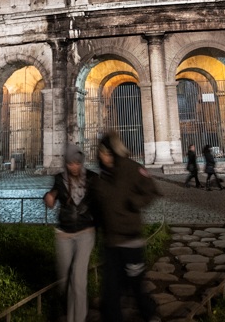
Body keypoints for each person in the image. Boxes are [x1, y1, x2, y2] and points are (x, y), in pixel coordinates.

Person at [91, 131, 160, 322]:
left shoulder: (131, 168)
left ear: (113, 151)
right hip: (111, 243)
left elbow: (151, 190)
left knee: (137, 286)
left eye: (106, 152)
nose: (103, 157)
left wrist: (134, 202)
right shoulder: (102, 177)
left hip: (131, 241)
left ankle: (149, 314)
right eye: (101, 153)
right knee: (110, 291)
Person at [43, 143, 97, 322]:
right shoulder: (60, 179)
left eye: (77, 163)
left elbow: (103, 198)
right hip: (64, 234)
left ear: (82, 163)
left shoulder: (92, 178)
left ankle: (78, 318)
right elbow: (52, 196)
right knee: (65, 281)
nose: (74, 167)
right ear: (65, 163)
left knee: (79, 279)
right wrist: (49, 198)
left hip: (85, 231)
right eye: (70, 163)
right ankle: (69, 314)